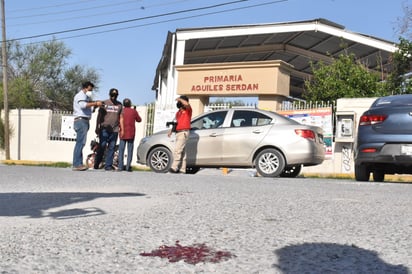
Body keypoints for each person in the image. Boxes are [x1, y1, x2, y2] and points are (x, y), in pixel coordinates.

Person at [72, 81, 103, 171]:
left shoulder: (86, 97)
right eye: (90, 89)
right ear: (85, 88)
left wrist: (96, 106)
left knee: (81, 143)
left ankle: (79, 163)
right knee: (80, 143)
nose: (91, 91)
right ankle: (76, 164)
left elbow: (90, 109)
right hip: (81, 120)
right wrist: (95, 103)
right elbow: (83, 105)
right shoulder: (80, 95)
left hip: (84, 121)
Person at [94, 88, 123, 171]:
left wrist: (122, 129)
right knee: (102, 146)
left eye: (115, 95)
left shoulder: (120, 105)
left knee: (112, 147)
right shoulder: (104, 103)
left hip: (114, 130)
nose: (114, 97)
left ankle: (108, 166)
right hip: (104, 129)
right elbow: (99, 116)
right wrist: (97, 127)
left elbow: (121, 118)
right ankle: (97, 163)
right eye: (112, 95)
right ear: (109, 95)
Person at [168, 95, 192, 174]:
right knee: (183, 152)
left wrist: (180, 99)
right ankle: (182, 169)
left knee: (177, 150)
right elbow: (176, 123)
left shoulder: (188, 111)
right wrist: (171, 131)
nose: (178, 103)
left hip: (184, 132)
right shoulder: (178, 113)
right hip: (178, 132)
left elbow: (187, 104)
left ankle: (174, 167)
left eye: (179, 102)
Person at [118, 98, 142, 172]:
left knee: (121, 150)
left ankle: (120, 167)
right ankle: (128, 167)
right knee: (130, 150)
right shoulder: (133, 111)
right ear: (130, 104)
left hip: (122, 133)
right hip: (131, 133)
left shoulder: (121, 111)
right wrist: (135, 111)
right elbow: (139, 120)